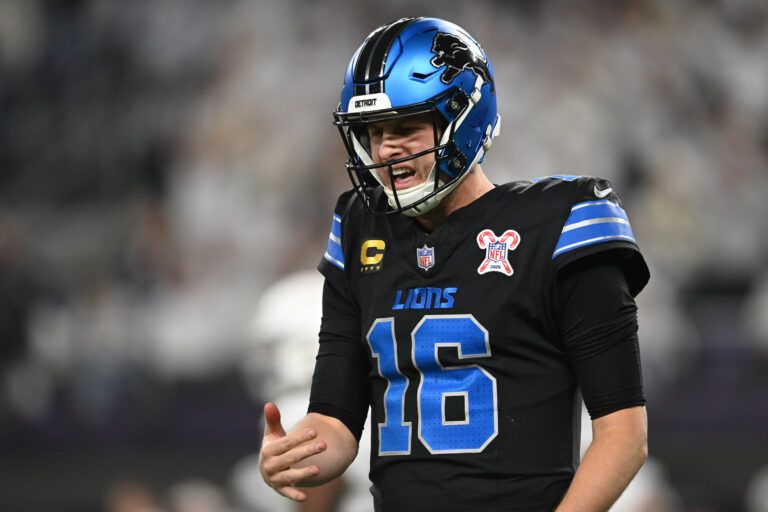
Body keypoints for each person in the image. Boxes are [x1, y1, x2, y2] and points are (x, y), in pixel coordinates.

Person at [260, 17, 650, 512]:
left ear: (462, 120)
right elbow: (336, 420)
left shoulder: (559, 223)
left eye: (406, 127)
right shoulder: (360, 227)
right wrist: (297, 455)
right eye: (374, 131)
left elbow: (624, 434)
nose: (386, 148)